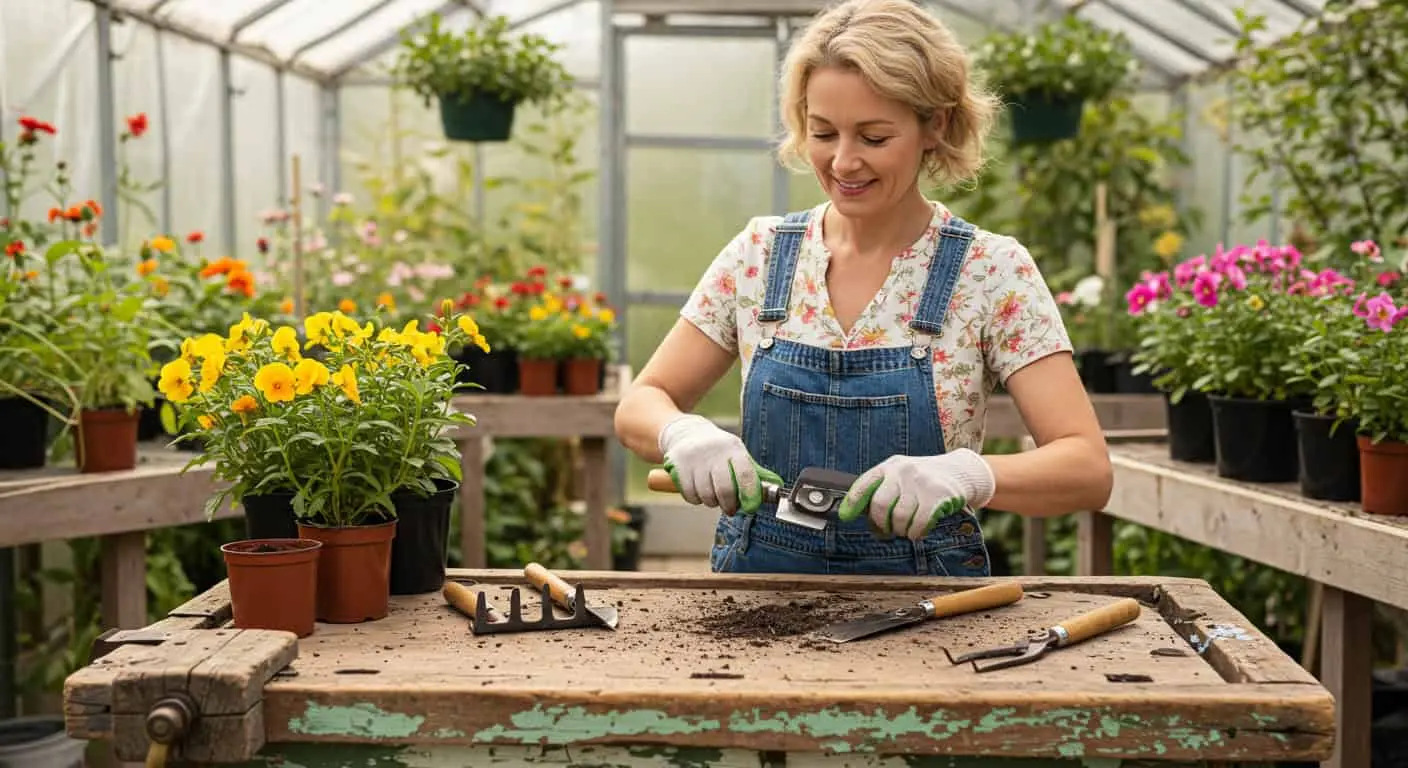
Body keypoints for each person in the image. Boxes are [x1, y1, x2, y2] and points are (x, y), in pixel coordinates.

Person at [613, 0, 1112, 576]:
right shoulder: (761, 255)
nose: (844, 161)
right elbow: (639, 406)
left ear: (937, 126)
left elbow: (1086, 468)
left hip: (925, 614)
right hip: (757, 607)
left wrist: (969, 475)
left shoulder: (990, 270)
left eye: (874, 138)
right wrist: (683, 433)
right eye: (823, 132)